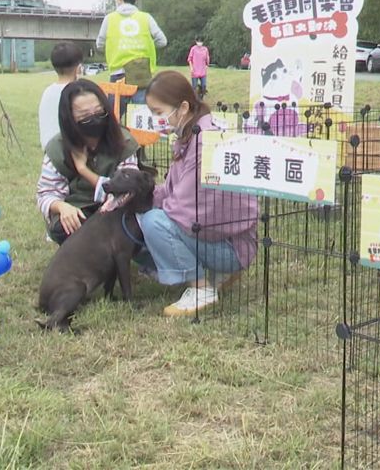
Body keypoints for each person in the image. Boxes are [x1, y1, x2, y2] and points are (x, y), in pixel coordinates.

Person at [137, 70, 258, 316]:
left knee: (152, 223)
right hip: (231, 242)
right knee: (147, 217)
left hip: (232, 248)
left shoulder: (204, 143)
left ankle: (201, 288)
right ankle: (217, 273)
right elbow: (173, 192)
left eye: (159, 112)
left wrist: (149, 210)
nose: (157, 119)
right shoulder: (191, 135)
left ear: (182, 107)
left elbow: (188, 209)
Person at [36, 79, 140, 244]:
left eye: (99, 112)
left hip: (116, 208)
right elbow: (46, 193)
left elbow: (127, 191)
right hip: (80, 209)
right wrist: (62, 207)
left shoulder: (124, 142)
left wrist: (83, 169)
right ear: (69, 118)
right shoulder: (58, 147)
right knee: (63, 227)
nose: (94, 119)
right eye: (84, 116)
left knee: (126, 222)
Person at [95, 0, 167, 112]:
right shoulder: (146, 18)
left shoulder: (109, 19)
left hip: (118, 73)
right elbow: (162, 41)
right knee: (141, 117)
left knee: (114, 118)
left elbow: (99, 44)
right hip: (141, 73)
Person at [38, 42, 83, 150]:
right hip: (71, 156)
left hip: (49, 157)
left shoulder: (47, 92)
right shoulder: (79, 92)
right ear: (79, 69)